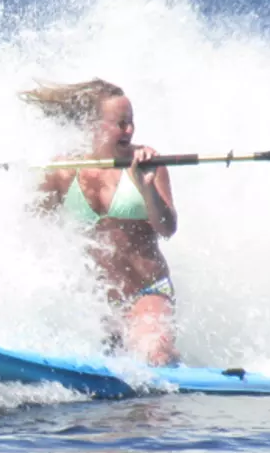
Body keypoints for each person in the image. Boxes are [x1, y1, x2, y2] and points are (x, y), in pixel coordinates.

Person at [23, 78, 180, 366]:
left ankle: (167, 365)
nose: (129, 130)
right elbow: (29, 226)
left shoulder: (148, 163)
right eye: (121, 123)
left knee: (154, 356)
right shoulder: (61, 171)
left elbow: (167, 228)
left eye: (131, 122)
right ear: (91, 124)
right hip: (94, 307)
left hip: (147, 291)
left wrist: (146, 190)